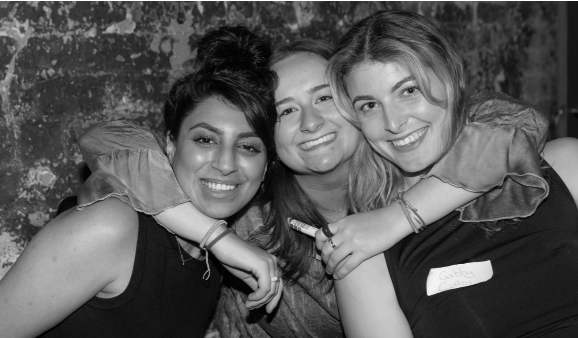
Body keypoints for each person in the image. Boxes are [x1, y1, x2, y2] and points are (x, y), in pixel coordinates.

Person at [74, 36, 549, 337]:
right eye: (285, 111)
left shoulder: (419, 174)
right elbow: (108, 142)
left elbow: (516, 121)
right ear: (268, 140)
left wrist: (398, 218)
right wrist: (218, 238)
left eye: (324, 97)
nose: (311, 122)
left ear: (357, 105)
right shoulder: (250, 225)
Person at [323, 10, 578, 337]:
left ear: (451, 80)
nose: (394, 122)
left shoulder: (568, 165)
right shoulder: (363, 252)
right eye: (369, 105)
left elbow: (512, 131)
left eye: (409, 90)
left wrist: (400, 217)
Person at [0, 26, 283, 337]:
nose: (226, 164)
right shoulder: (114, 225)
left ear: (266, 167)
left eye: (248, 147)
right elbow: (102, 137)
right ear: (171, 146)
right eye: (205, 139)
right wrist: (218, 238)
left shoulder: (214, 255)